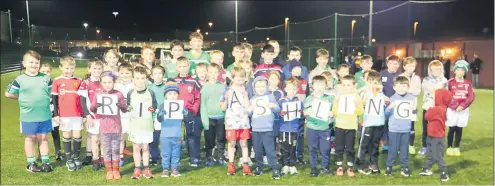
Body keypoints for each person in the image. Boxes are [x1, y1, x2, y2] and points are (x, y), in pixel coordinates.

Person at [5, 50, 54, 172]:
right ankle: (31, 163)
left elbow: (50, 93)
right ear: (24, 63)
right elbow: (8, 93)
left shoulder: (46, 78)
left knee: (43, 137)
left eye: (36, 62)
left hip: (44, 114)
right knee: (31, 137)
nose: (34, 65)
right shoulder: (20, 79)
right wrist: (21, 98)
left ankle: (45, 162)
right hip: (28, 115)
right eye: (31, 62)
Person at [90, 71, 128, 180]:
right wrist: (96, 105)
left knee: (115, 149)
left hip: (116, 126)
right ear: (101, 83)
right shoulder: (98, 94)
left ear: (114, 82)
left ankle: (116, 170)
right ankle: (109, 170)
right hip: (104, 127)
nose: (107, 84)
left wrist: (120, 104)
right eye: (105, 82)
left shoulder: (119, 94)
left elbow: (125, 109)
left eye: (110, 82)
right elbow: (92, 109)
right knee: (106, 150)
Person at [52, 56, 84, 171]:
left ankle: (76, 158)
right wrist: (55, 114)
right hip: (64, 115)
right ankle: (69, 160)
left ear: (74, 67)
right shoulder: (57, 81)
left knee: (77, 136)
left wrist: (84, 114)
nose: (69, 70)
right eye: (66, 68)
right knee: (67, 136)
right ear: (61, 67)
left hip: (77, 114)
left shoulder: (79, 81)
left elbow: (83, 99)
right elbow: (54, 100)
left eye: (71, 68)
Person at [127, 66, 157, 179]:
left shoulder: (150, 93)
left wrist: (152, 109)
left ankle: (146, 168)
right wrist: (128, 108)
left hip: (147, 125)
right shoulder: (130, 93)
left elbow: (155, 106)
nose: (140, 80)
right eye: (137, 78)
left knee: (145, 147)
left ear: (146, 79)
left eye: (142, 78)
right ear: (133, 79)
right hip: (135, 126)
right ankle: (137, 168)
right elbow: (128, 107)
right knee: (136, 148)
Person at [221, 67, 252, 175]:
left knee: (244, 143)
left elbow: (249, 107)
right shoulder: (228, 90)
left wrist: (245, 95)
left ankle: (246, 164)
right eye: (238, 79)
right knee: (231, 143)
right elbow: (223, 108)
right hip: (231, 121)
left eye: (242, 79)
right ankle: (231, 164)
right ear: (233, 78)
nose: (240, 81)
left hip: (243, 121)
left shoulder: (246, 89)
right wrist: (226, 99)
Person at [249, 76, 281, 179]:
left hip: (267, 128)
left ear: (267, 86)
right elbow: (249, 114)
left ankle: (275, 167)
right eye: (258, 86)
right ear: (254, 88)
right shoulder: (252, 99)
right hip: (256, 129)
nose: (260, 88)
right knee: (257, 149)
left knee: (270, 149)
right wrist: (250, 109)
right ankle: (259, 166)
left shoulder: (270, 97)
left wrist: (273, 106)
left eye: (263, 86)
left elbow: (277, 109)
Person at [384, 76, 417, 177]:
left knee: (404, 150)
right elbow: (385, 115)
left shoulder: (411, 98)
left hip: (406, 129)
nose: (401, 88)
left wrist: (414, 109)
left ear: (408, 87)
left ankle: (405, 167)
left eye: (404, 86)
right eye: (399, 86)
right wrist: (389, 108)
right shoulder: (392, 99)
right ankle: (389, 167)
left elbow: (414, 113)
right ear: (394, 87)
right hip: (394, 129)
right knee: (393, 149)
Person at [303, 75, 335, 177]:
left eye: (322, 84)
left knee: (325, 148)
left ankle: (324, 167)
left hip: (324, 128)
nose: (320, 87)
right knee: (313, 148)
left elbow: (334, 112)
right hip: (312, 127)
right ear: (312, 86)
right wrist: (307, 112)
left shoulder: (330, 98)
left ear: (326, 86)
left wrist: (331, 113)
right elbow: (305, 112)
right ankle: (313, 168)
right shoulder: (309, 98)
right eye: (317, 84)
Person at [355, 71, 386, 175]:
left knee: (375, 144)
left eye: (376, 82)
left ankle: (373, 163)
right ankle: (361, 163)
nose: (374, 85)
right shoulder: (365, 92)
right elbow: (359, 103)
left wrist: (381, 95)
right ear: (367, 82)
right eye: (371, 82)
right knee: (364, 144)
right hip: (368, 123)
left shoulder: (380, 93)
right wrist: (365, 99)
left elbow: (387, 100)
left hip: (379, 122)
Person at [332, 75, 363, 177]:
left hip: (351, 126)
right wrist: (336, 102)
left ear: (353, 86)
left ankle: (350, 167)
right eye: (344, 85)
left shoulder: (356, 96)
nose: (346, 87)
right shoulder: (339, 96)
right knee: (339, 147)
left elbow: (360, 111)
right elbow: (334, 111)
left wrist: (357, 104)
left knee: (350, 148)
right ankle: (339, 166)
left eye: (348, 85)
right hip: (340, 125)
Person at [173, 57, 202, 167]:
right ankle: (176, 158)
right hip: (175, 113)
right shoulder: (173, 81)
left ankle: (193, 157)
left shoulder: (194, 81)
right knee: (176, 136)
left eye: (184, 66)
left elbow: (198, 98)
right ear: (176, 67)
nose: (183, 69)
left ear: (188, 66)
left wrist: (194, 110)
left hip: (189, 112)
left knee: (191, 135)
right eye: (180, 66)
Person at [419, 89, 452, 182]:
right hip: (432, 135)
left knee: (437, 155)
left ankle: (444, 173)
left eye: (434, 97)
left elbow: (427, 116)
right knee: (430, 153)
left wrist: (430, 108)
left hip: (436, 137)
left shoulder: (438, 109)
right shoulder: (441, 108)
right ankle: (427, 168)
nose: (432, 99)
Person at [158, 82, 189, 178]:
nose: (172, 96)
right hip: (165, 135)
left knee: (176, 152)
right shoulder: (163, 105)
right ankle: (165, 169)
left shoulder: (181, 106)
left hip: (177, 134)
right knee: (165, 153)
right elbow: (159, 120)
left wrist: (186, 114)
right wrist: (160, 114)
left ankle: (174, 168)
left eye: (175, 94)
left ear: (178, 95)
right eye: (170, 94)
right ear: (166, 95)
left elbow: (186, 119)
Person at [78, 59, 104, 170]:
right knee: (94, 138)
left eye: (99, 68)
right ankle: (95, 160)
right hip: (92, 117)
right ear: (89, 69)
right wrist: (87, 115)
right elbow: (82, 100)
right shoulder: (86, 83)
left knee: (103, 138)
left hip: (104, 116)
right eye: (94, 68)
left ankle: (103, 159)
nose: (97, 70)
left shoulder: (105, 81)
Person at [446, 60, 475, 156]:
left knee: (459, 128)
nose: (460, 72)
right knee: (452, 128)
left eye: (462, 70)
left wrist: (462, 105)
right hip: (452, 110)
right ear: (454, 71)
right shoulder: (449, 83)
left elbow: (471, 96)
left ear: (465, 72)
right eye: (458, 69)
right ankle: (449, 147)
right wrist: (455, 106)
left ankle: (456, 147)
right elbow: (447, 96)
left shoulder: (468, 83)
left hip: (463, 110)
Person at [201, 63, 228, 166]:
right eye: (211, 72)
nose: (213, 74)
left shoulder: (223, 87)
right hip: (209, 118)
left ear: (219, 73)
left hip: (221, 117)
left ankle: (221, 157)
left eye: (215, 72)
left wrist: (226, 117)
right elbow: (203, 105)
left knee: (221, 139)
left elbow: (226, 103)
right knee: (209, 140)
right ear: (207, 73)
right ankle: (209, 157)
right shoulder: (205, 88)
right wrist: (205, 121)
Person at [419, 60, 448, 156]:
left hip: (439, 109)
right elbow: (427, 90)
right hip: (427, 107)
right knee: (426, 128)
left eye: (438, 69)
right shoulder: (426, 80)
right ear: (430, 70)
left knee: (437, 128)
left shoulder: (444, 81)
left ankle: (436, 147)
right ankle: (425, 146)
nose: (436, 71)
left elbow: (445, 94)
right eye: (433, 69)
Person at [38, 64, 63, 162]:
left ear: (50, 72)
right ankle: (41, 154)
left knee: (55, 133)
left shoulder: (54, 83)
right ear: (39, 71)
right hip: (41, 113)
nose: (45, 73)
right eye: (43, 71)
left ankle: (58, 152)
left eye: (47, 71)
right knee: (42, 134)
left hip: (53, 112)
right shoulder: (36, 84)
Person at [278, 77, 304, 175]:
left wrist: (301, 113)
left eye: (294, 89)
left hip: (294, 128)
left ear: (297, 90)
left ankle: (292, 165)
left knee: (293, 147)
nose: (291, 91)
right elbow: (277, 114)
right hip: (284, 128)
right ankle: (285, 165)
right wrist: (280, 113)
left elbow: (301, 116)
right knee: (284, 147)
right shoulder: (281, 101)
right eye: (289, 88)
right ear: (285, 89)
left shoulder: (299, 102)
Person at [399, 57, 422, 154]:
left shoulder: (416, 78)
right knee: (401, 127)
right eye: (408, 66)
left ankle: (411, 145)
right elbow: (400, 90)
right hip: (402, 105)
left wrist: (408, 90)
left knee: (411, 127)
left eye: (412, 66)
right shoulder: (400, 77)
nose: (410, 68)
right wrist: (410, 90)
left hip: (413, 105)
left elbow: (418, 91)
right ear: (404, 66)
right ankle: (401, 146)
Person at [113, 63, 134, 165]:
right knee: (121, 136)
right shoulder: (116, 85)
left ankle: (137, 155)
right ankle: (120, 156)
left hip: (132, 115)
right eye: (122, 72)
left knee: (134, 136)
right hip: (120, 115)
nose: (125, 75)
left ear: (132, 73)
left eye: (127, 72)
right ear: (118, 73)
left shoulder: (135, 84)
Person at [380, 55, 401, 151]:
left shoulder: (400, 76)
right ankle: (384, 144)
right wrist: (383, 97)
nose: (393, 65)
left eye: (395, 63)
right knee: (384, 124)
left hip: (396, 104)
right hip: (384, 104)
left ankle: (394, 144)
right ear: (387, 64)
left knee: (394, 125)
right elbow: (378, 88)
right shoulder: (382, 74)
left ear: (398, 65)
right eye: (391, 63)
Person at [148, 65, 167, 166]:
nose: (158, 76)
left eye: (160, 73)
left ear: (163, 75)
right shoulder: (149, 87)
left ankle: (165, 155)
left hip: (164, 117)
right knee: (154, 139)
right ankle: (154, 156)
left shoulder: (167, 87)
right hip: (152, 117)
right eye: (155, 73)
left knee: (164, 138)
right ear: (152, 75)